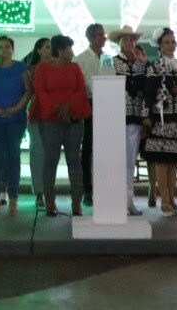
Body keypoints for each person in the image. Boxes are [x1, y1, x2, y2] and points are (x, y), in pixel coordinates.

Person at [32, 34, 91, 217]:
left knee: (74, 160)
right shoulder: (42, 68)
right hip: (50, 120)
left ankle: (76, 203)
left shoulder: (74, 68)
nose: (72, 53)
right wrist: (58, 108)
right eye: (70, 49)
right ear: (60, 50)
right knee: (51, 160)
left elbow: (80, 90)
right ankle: (50, 202)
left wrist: (68, 106)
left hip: (73, 119)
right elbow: (40, 92)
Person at [0, 35, 31, 216]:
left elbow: (28, 91)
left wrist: (16, 108)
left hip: (15, 120)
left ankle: (13, 199)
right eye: (0, 47)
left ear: (12, 49)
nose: (4, 50)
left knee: (13, 157)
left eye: (7, 46)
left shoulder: (21, 68)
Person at [143, 28, 177, 217]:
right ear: (160, 46)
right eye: (167, 42)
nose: (171, 45)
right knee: (162, 160)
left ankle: (172, 201)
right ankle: (164, 203)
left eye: (173, 41)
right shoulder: (154, 67)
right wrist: (146, 116)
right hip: (160, 117)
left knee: (173, 161)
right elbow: (148, 93)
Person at [110, 25, 148, 216]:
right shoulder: (112, 62)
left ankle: (128, 201)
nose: (129, 43)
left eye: (132, 40)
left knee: (130, 160)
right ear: (119, 43)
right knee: (116, 160)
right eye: (125, 39)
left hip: (135, 117)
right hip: (116, 116)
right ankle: (116, 201)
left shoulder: (142, 64)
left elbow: (145, 91)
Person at [74, 22, 111, 206]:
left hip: (105, 105)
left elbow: (111, 78)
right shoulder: (80, 59)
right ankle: (87, 190)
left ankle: (104, 187)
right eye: (100, 35)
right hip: (88, 105)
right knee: (87, 149)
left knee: (104, 149)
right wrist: (99, 87)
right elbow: (83, 83)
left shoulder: (107, 58)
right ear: (91, 37)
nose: (103, 38)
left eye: (103, 35)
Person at [24, 37, 51, 208]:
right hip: (35, 113)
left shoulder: (56, 67)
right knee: (37, 152)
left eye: (51, 47)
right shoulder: (30, 70)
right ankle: (39, 191)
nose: (50, 50)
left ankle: (48, 189)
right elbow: (26, 92)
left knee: (51, 154)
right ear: (39, 50)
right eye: (47, 47)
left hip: (52, 115)